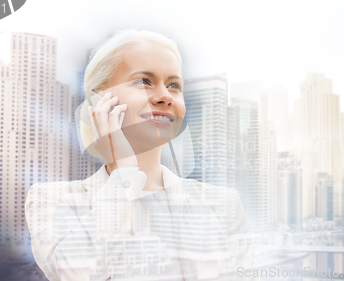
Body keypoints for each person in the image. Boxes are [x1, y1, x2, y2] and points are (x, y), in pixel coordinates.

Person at [25, 29, 255, 281]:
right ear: (99, 101)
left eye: (174, 85)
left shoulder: (223, 205)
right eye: (144, 81)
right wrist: (124, 172)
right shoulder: (54, 201)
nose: (166, 96)